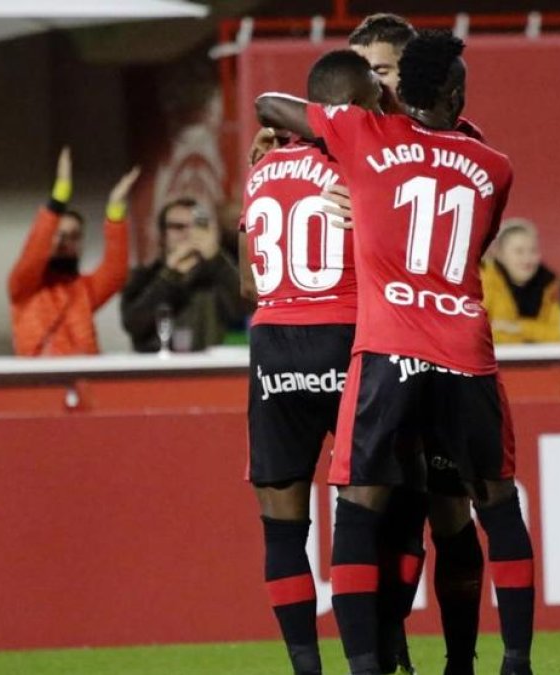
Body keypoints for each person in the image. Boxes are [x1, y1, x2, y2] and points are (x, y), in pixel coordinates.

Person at [256, 29, 536, 675]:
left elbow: (271, 104)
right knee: (491, 506)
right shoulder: (496, 165)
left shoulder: (366, 138)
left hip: (389, 350)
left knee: (359, 510)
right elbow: (474, 246)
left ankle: (363, 666)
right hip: (465, 353)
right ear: (458, 94)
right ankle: (512, 660)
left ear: (398, 88)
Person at [242, 49, 381, 675]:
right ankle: (370, 662)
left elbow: (248, 284)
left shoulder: (261, 168)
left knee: (281, 529)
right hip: (348, 338)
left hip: (274, 346)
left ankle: (305, 667)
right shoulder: (361, 158)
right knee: (367, 513)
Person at [7, 148, 137, 357]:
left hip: (85, 380)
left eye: (72, 235)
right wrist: (59, 198)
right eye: (56, 234)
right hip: (41, 383)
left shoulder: (83, 289)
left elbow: (116, 272)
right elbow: (33, 255)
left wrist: (115, 212)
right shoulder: (23, 286)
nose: (62, 241)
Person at [119, 197, 247, 352]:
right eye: (178, 227)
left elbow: (246, 310)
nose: (189, 233)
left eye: (197, 226)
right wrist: (171, 275)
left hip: (210, 370)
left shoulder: (217, 273)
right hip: (158, 370)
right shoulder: (143, 276)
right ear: (162, 235)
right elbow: (135, 325)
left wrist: (216, 259)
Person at [481, 219, 560, 344]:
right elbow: (477, 334)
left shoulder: (549, 285)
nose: (527, 259)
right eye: (519, 251)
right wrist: (536, 333)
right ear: (499, 254)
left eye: (533, 251)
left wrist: (517, 327)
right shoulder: (482, 282)